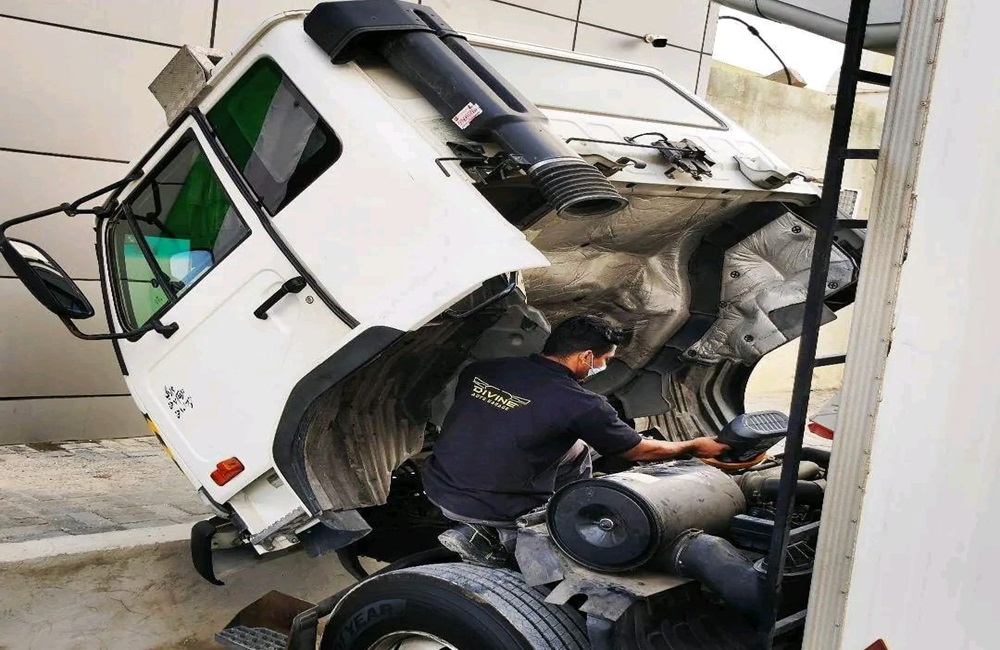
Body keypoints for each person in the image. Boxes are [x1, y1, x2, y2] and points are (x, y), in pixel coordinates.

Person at [421, 314, 729, 566]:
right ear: (586, 357)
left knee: (567, 446)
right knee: (579, 450)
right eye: (606, 359)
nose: (604, 366)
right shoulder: (581, 404)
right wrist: (693, 445)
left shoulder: (482, 369)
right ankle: (553, 520)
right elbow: (639, 451)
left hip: (437, 487)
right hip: (493, 510)